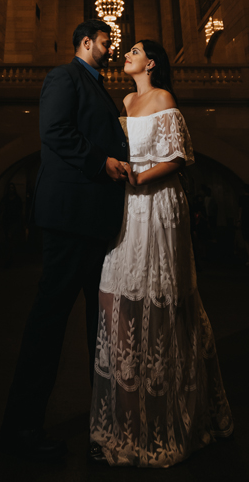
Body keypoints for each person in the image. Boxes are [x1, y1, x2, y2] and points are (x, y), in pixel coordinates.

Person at [89, 40, 233, 468]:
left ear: (150, 62)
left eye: (134, 50)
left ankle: (167, 421)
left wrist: (138, 178)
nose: (126, 54)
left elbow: (178, 156)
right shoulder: (127, 100)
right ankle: (129, 420)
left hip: (158, 204)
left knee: (161, 297)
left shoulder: (163, 97)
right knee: (116, 295)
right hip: (127, 208)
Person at [0, 19, 130, 462]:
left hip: (95, 224)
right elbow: (54, 132)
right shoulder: (64, 77)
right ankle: (20, 433)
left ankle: (105, 422)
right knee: (48, 326)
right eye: (105, 44)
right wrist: (103, 163)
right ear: (85, 43)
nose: (110, 51)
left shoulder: (98, 86)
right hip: (71, 220)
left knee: (100, 329)